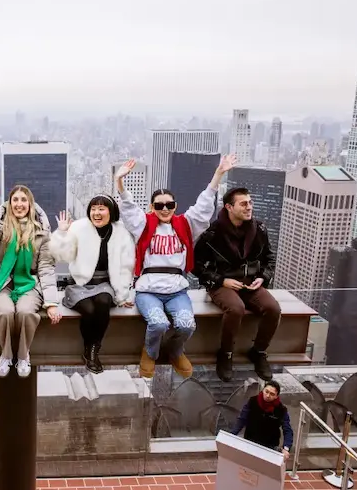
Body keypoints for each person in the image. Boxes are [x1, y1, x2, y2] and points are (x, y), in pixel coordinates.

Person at [116, 155, 237, 380]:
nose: (165, 209)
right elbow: (129, 209)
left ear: (175, 206)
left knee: (187, 325)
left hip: (177, 290)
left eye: (169, 205)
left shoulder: (185, 224)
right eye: (159, 205)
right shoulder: (144, 225)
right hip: (148, 290)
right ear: (152, 207)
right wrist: (119, 181)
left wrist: (218, 174)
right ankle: (150, 353)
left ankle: (176, 350)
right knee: (158, 323)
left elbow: (203, 206)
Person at [193, 186, 281, 382]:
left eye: (250, 202)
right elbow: (195, 265)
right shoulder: (213, 234)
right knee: (236, 308)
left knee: (273, 308)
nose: (249, 207)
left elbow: (269, 257)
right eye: (243, 204)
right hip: (222, 284)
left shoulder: (259, 229)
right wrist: (221, 280)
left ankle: (258, 352)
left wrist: (263, 278)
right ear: (229, 207)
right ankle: (226, 354)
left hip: (250, 282)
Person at [0, 184, 61, 378]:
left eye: (24, 200)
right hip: (0, 280)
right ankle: (6, 355)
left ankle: (23, 355)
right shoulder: (0, 226)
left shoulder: (42, 233)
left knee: (24, 312)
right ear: (9, 203)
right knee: (5, 312)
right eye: (15, 200)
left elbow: (46, 268)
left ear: (30, 204)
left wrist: (51, 303)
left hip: (29, 282)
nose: (19, 204)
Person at [50, 195, 135, 374]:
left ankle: (94, 349)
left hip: (105, 283)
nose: (97, 212)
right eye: (93, 208)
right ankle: (88, 347)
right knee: (88, 309)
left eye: (101, 209)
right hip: (79, 283)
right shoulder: (79, 228)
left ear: (111, 212)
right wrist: (62, 233)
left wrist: (122, 295)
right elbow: (62, 256)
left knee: (103, 302)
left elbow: (126, 267)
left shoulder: (121, 233)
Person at [230, 380, 293, 460]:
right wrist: (231, 435)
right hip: (250, 442)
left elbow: (287, 429)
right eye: (266, 391)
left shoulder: (281, 410)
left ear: (276, 396)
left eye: (272, 394)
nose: (267, 395)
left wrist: (286, 448)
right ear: (263, 390)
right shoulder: (252, 401)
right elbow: (242, 420)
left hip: (270, 447)